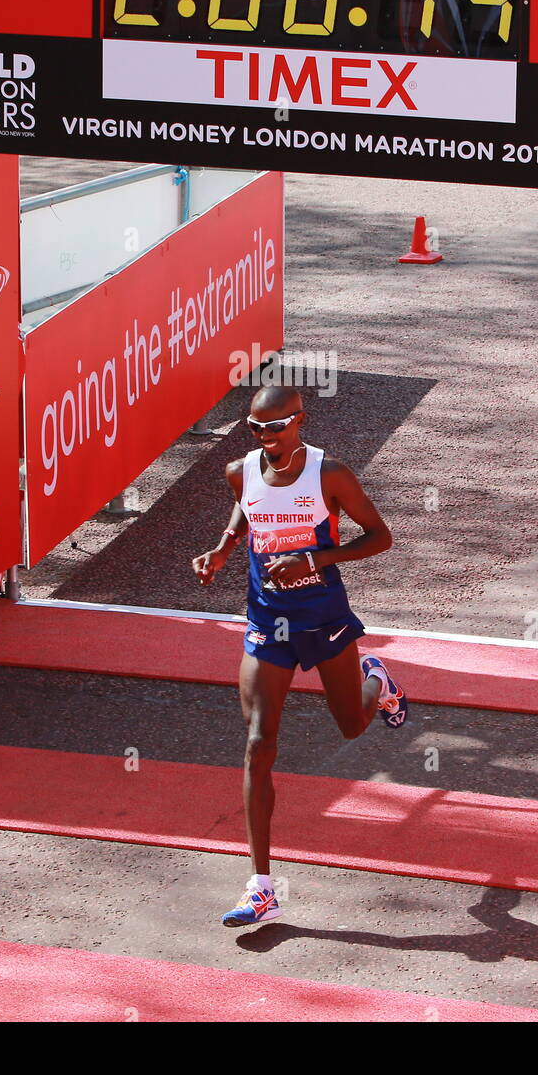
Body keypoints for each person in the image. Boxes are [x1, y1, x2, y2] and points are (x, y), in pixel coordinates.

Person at [192, 384, 406, 928]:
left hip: (323, 615)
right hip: (267, 620)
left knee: (352, 726)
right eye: (256, 428)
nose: (267, 437)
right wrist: (222, 548)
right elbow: (246, 509)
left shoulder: (329, 473)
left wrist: (314, 558)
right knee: (259, 741)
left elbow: (380, 537)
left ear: (299, 422)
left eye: (277, 426)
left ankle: (375, 682)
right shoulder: (240, 470)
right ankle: (262, 887)